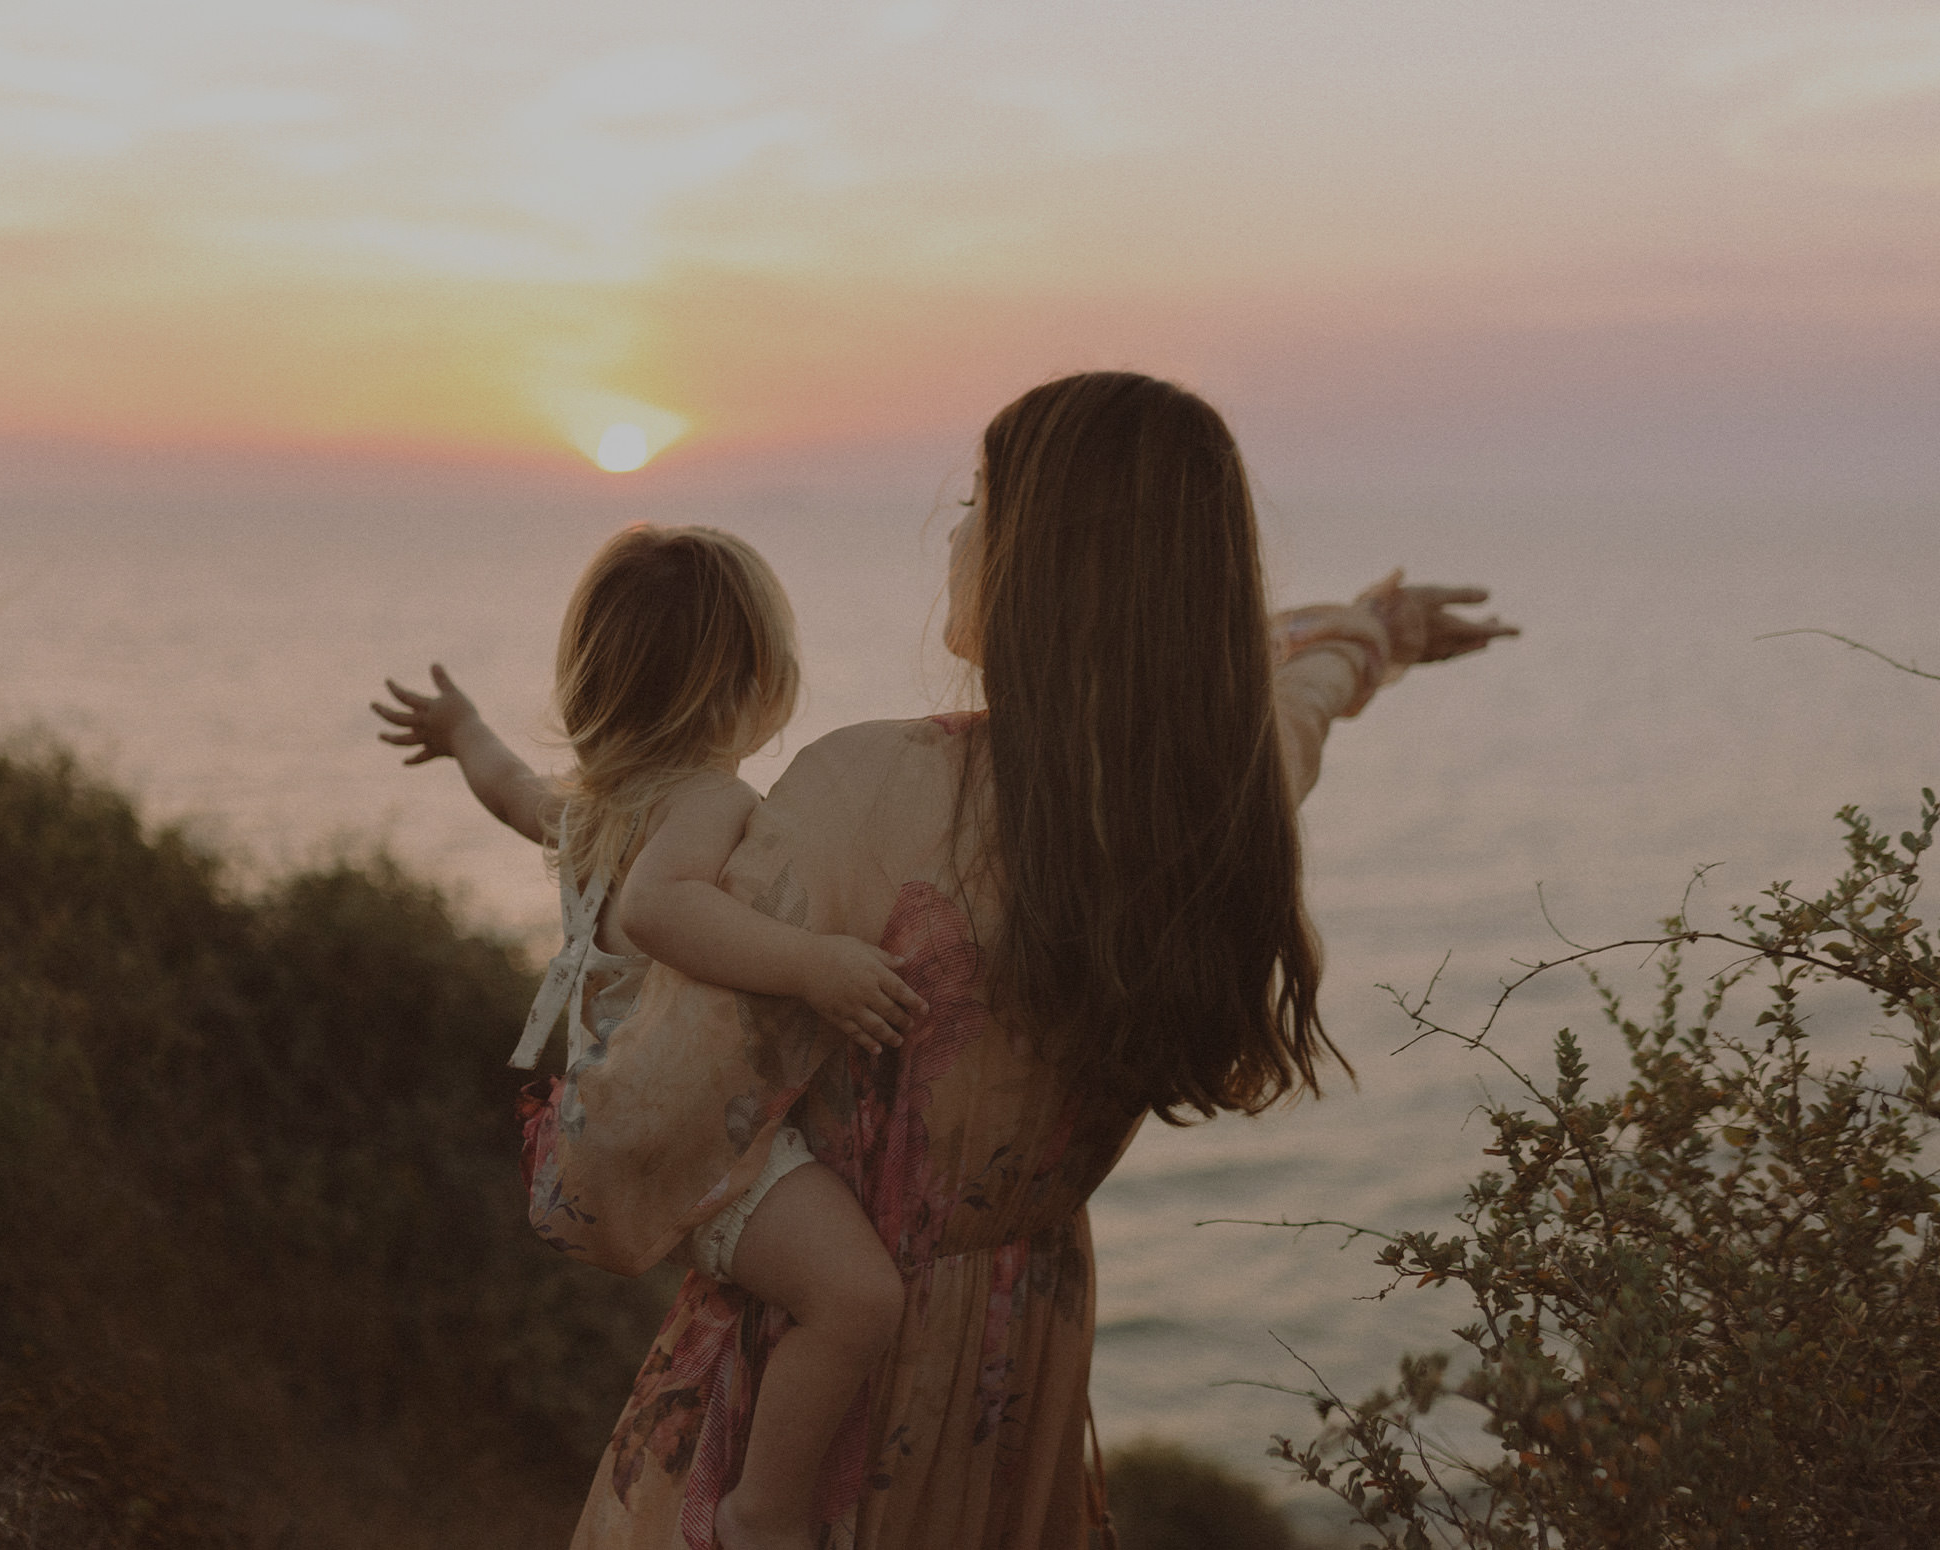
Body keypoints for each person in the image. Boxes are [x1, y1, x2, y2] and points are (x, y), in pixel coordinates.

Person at [525, 373, 1516, 1549]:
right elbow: (1285, 708)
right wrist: (1370, 634)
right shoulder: (1210, 818)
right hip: (1016, 1379)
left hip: (800, 1402)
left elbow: (642, 1136)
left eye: (980, 500)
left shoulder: (865, 793)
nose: (954, 530)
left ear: (1046, 560)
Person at [372, 525, 932, 1550]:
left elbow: (508, 788)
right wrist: (818, 964)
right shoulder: (710, 801)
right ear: (752, 683)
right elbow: (657, 911)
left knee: (835, 1288)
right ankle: (762, 1509)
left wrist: (464, 730)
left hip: (611, 1123)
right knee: (856, 1297)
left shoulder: (597, 806)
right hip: (689, 1148)